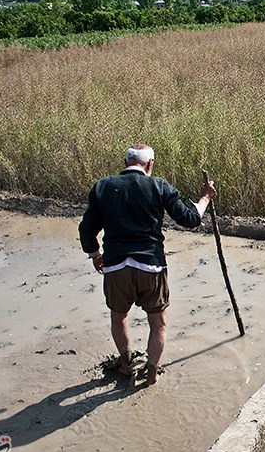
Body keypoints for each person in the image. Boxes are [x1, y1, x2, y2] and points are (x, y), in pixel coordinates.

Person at [79, 143, 216, 385]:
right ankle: (151, 373)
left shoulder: (103, 186)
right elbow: (190, 218)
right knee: (157, 322)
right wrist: (205, 197)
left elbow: (86, 229)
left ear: (126, 163)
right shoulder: (158, 186)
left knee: (118, 317)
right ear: (150, 164)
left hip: (115, 265)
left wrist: (95, 254)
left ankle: (125, 362)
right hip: (150, 265)